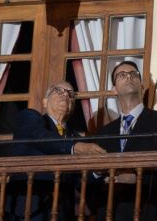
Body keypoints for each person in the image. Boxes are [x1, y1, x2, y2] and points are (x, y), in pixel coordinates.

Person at [92, 61, 157, 221]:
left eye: (134, 74)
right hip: (110, 213)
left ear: (141, 85)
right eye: (122, 75)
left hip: (148, 210)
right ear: (113, 89)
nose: (129, 76)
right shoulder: (104, 133)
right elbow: (92, 180)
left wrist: (136, 178)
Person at [9, 81, 106, 220]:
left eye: (70, 94)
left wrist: (97, 171)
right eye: (59, 91)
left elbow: (80, 179)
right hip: (30, 207)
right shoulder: (30, 117)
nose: (65, 95)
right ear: (44, 101)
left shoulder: (77, 139)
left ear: (73, 106)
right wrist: (74, 148)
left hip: (62, 212)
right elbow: (38, 136)